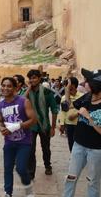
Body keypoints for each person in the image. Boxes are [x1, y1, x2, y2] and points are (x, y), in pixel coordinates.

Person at [63, 68, 101, 197]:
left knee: (92, 181)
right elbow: (68, 106)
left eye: (87, 81)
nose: (84, 83)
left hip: (96, 150)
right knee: (70, 178)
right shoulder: (88, 97)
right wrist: (67, 90)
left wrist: (89, 117)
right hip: (78, 145)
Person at [0, 77, 37, 197]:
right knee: (7, 168)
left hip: (24, 142)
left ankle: (28, 188)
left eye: (9, 86)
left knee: (20, 168)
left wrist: (16, 126)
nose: (5, 88)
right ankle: (8, 193)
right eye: (3, 85)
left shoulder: (23, 101)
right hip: (9, 142)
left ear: (15, 88)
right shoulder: (0, 105)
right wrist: (1, 128)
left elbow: (33, 120)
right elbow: (0, 121)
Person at [26, 69, 59, 180]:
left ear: (39, 78)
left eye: (35, 77)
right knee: (30, 150)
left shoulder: (47, 92)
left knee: (46, 148)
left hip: (44, 126)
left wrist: (53, 127)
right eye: (30, 78)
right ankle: (31, 173)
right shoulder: (26, 92)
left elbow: (54, 110)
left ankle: (47, 165)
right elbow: (20, 102)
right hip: (31, 126)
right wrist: (28, 89)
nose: (32, 80)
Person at [58, 77, 83, 151]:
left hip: (79, 124)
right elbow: (62, 111)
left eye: (68, 85)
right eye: (66, 85)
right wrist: (62, 124)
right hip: (69, 125)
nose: (67, 87)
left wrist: (75, 115)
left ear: (74, 85)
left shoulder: (82, 96)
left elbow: (84, 109)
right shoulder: (63, 98)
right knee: (71, 143)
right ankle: (72, 157)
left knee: (79, 143)